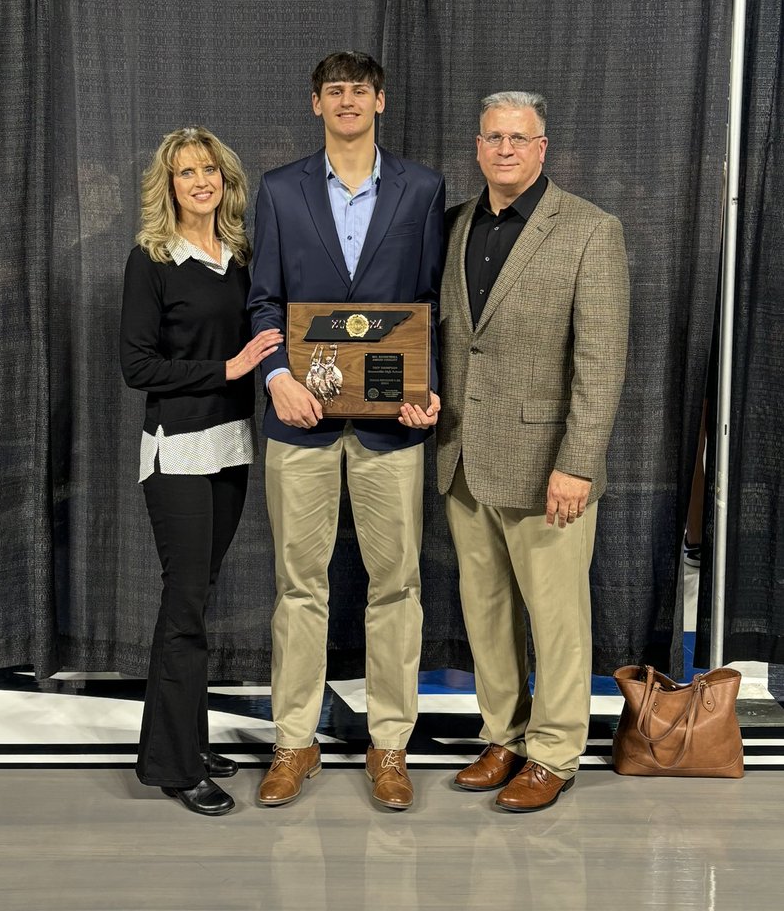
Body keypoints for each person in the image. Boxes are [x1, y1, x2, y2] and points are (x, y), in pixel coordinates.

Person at [249, 51, 445, 811]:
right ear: (316, 105)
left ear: (381, 102)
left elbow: (428, 306)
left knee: (396, 586)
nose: (347, 102)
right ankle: (293, 743)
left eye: (359, 91)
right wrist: (277, 378)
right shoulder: (278, 190)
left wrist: (427, 391)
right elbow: (264, 303)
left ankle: (389, 747)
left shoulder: (422, 189)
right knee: (300, 588)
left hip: (390, 427)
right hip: (299, 423)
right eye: (334, 92)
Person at [437, 91, 629, 812]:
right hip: (463, 458)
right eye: (494, 137)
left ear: (543, 148)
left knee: (555, 619)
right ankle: (504, 738)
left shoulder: (589, 230)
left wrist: (577, 463)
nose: (506, 149)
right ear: (478, 147)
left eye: (520, 138)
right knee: (485, 613)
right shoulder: (455, 226)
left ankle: (554, 752)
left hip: (551, 467)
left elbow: (602, 361)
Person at [120, 127, 282, 817]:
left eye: (208, 169)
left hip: (231, 448)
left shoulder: (242, 256)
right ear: (170, 185)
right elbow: (138, 367)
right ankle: (175, 767)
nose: (200, 182)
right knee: (184, 607)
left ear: (225, 178)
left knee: (198, 597)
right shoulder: (151, 259)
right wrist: (231, 368)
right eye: (186, 173)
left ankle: (178, 738)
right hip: (177, 452)